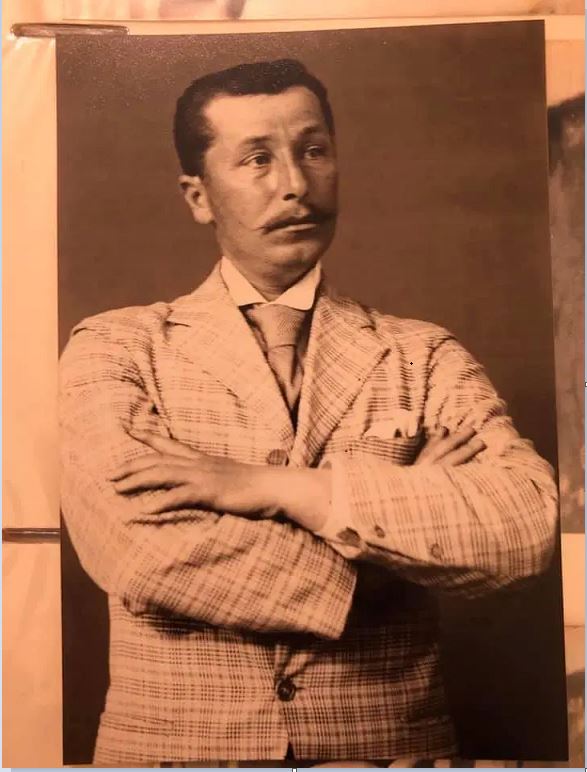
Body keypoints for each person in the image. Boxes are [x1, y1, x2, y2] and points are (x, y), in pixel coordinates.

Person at [59, 59, 559, 766]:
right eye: (257, 158)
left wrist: (270, 487)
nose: (295, 183)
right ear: (198, 196)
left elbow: (525, 527)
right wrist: (391, 557)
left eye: (313, 149)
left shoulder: (422, 353)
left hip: (392, 753)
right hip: (176, 753)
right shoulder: (117, 347)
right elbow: (138, 551)